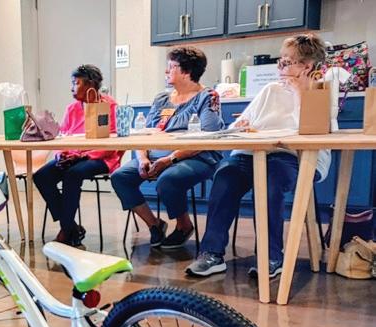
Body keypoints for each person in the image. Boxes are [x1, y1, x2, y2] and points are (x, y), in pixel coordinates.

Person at [186, 33, 331, 278]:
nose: (280, 68)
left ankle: (270, 257)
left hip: (293, 156)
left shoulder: (322, 91)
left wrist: (299, 92)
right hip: (252, 152)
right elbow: (237, 126)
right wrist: (241, 126)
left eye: (286, 62)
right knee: (225, 176)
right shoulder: (271, 90)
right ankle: (211, 254)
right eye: (280, 61)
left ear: (306, 67)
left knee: (271, 181)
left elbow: (314, 131)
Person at [111, 46, 224, 249]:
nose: (166, 71)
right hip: (156, 155)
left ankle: (184, 226)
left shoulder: (208, 97)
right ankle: (154, 224)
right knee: (120, 177)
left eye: (171, 67)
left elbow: (206, 138)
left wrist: (170, 159)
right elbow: (144, 132)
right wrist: (143, 158)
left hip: (195, 157)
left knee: (168, 180)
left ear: (186, 71)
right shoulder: (162, 99)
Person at [33, 64, 122, 246]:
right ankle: (71, 227)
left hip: (101, 157)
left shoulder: (109, 106)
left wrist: (82, 156)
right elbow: (62, 136)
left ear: (90, 85)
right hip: (72, 156)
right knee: (41, 176)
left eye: (76, 83)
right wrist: (61, 155)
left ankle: (66, 231)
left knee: (73, 174)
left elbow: (112, 142)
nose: (71, 87)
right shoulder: (72, 108)